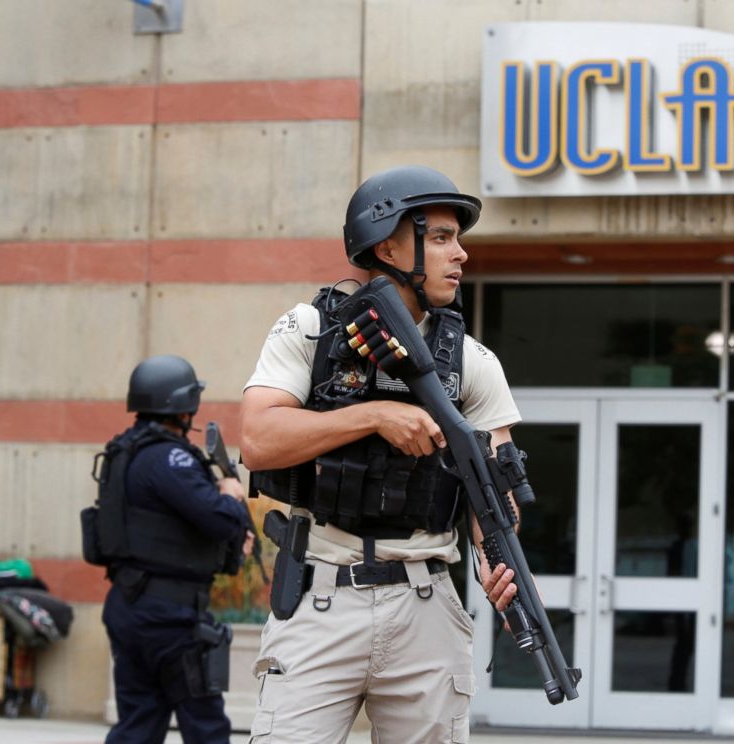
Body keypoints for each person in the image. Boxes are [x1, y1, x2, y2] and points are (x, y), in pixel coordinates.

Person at [241, 165, 524, 743]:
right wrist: (373, 415)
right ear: (386, 243)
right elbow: (259, 438)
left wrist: (501, 556)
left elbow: (493, 486)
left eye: (458, 238)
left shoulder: (474, 361)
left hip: (427, 604)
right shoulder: (308, 330)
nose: (461, 254)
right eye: (442, 237)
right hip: (321, 597)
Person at [91, 354, 254, 744]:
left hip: (129, 605)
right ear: (183, 407)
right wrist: (231, 495)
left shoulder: (126, 451)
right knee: (206, 728)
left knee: (138, 726)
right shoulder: (170, 456)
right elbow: (219, 519)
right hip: (171, 617)